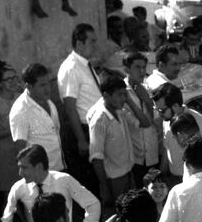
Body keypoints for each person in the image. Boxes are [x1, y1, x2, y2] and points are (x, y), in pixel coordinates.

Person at [57, 23, 102, 188]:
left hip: (94, 128)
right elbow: (70, 107)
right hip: (83, 129)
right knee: (88, 181)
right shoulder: (71, 68)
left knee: (98, 179)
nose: (95, 46)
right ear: (79, 43)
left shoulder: (85, 65)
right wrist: (81, 140)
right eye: (91, 41)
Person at [150, 83, 202, 179]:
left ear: (175, 106)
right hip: (173, 178)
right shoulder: (167, 119)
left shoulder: (200, 123)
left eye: (161, 110)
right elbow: (167, 149)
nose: (159, 114)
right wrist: (161, 175)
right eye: (156, 109)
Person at [87, 75, 135, 208]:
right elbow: (96, 158)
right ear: (106, 96)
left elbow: (144, 123)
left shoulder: (120, 112)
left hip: (127, 172)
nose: (124, 99)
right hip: (113, 180)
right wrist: (105, 189)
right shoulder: (100, 120)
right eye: (119, 95)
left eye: (125, 94)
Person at [9, 63, 64, 172]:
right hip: (40, 174)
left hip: (59, 167)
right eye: (42, 85)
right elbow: (20, 149)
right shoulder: (21, 111)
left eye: (48, 83)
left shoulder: (49, 103)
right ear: (29, 86)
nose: (48, 88)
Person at [0, 62, 22, 209]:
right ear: (0, 83)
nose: (13, 82)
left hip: (20, 151)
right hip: (4, 154)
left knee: (24, 194)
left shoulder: (20, 98)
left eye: (15, 77)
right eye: (9, 79)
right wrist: (13, 129)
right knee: (8, 199)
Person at [122, 53, 159, 186]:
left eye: (144, 67)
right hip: (135, 156)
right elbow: (140, 124)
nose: (142, 71)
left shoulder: (148, 89)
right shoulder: (122, 93)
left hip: (153, 152)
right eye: (137, 67)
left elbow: (156, 119)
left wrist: (148, 101)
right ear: (126, 69)